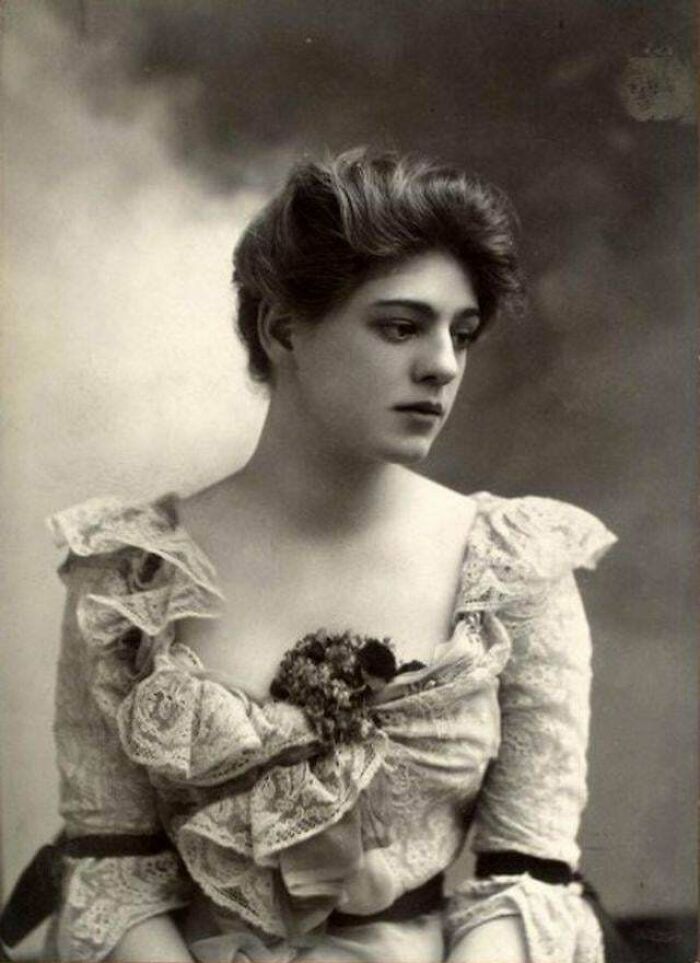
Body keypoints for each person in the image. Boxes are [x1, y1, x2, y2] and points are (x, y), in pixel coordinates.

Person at [5, 148, 619, 962]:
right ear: (282, 326)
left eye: (460, 334)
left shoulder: (514, 567)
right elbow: (111, 866)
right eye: (400, 326)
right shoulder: (131, 576)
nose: (442, 364)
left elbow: (528, 868)